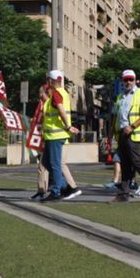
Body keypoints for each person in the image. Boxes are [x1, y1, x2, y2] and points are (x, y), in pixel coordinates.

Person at [39, 70, 84, 201]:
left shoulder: (57, 94)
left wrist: (68, 126)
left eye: (48, 80)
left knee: (54, 164)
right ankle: (66, 187)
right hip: (52, 135)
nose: (47, 83)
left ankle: (56, 191)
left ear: (51, 81)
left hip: (55, 135)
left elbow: (61, 110)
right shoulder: (62, 93)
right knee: (47, 162)